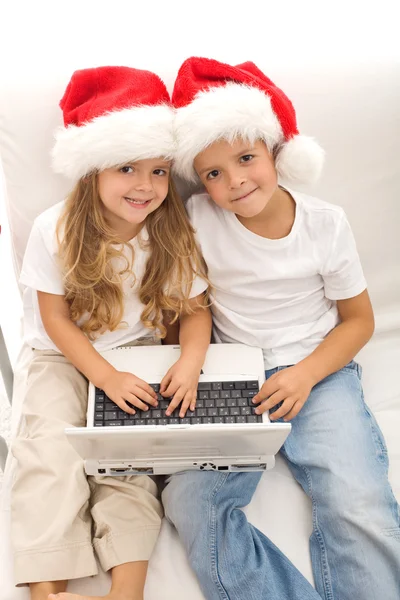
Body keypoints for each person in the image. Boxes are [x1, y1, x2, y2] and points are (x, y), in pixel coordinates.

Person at [162, 57, 400, 600]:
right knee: (191, 500)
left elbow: (358, 321)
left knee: (356, 499)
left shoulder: (325, 223)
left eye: (246, 158)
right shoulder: (199, 218)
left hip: (318, 373)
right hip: (235, 373)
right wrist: (194, 360)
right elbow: (195, 305)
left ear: (276, 151)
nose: (235, 181)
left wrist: (305, 376)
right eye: (213, 173)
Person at [10, 65, 211, 600]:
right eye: (127, 168)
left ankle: (126, 590)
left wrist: (189, 360)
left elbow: (194, 310)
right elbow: (54, 319)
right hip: (60, 355)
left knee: (129, 465)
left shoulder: (172, 228)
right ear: (92, 170)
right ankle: (46, 591)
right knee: (47, 455)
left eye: (159, 171)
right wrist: (103, 375)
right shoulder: (56, 227)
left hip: (139, 353)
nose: (146, 186)